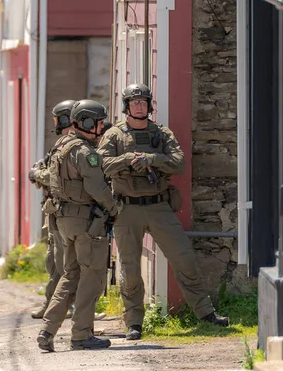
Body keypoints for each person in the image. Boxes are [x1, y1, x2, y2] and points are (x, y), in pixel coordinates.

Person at [97, 83, 230, 341]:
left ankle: (205, 313)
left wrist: (151, 159)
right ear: (126, 106)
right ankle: (134, 322)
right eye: (134, 102)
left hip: (158, 206)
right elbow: (102, 164)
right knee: (130, 268)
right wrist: (127, 160)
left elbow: (179, 163)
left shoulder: (161, 133)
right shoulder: (114, 135)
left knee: (184, 257)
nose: (139, 106)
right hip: (126, 209)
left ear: (149, 105)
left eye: (143, 102)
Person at [37, 99, 119, 352]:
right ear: (85, 122)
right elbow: (97, 188)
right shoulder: (85, 152)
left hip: (64, 221)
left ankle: (47, 330)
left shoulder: (61, 145)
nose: (102, 126)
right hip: (87, 222)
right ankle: (82, 334)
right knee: (91, 278)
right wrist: (114, 209)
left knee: (69, 275)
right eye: (98, 122)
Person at [29, 100, 76, 319]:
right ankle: (52, 303)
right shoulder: (61, 143)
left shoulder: (75, 144)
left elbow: (55, 176)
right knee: (53, 262)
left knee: (66, 262)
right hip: (54, 211)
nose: (55, 123)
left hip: (69, 211)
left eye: (58, 119)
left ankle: (71, 306)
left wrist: (37, 174)